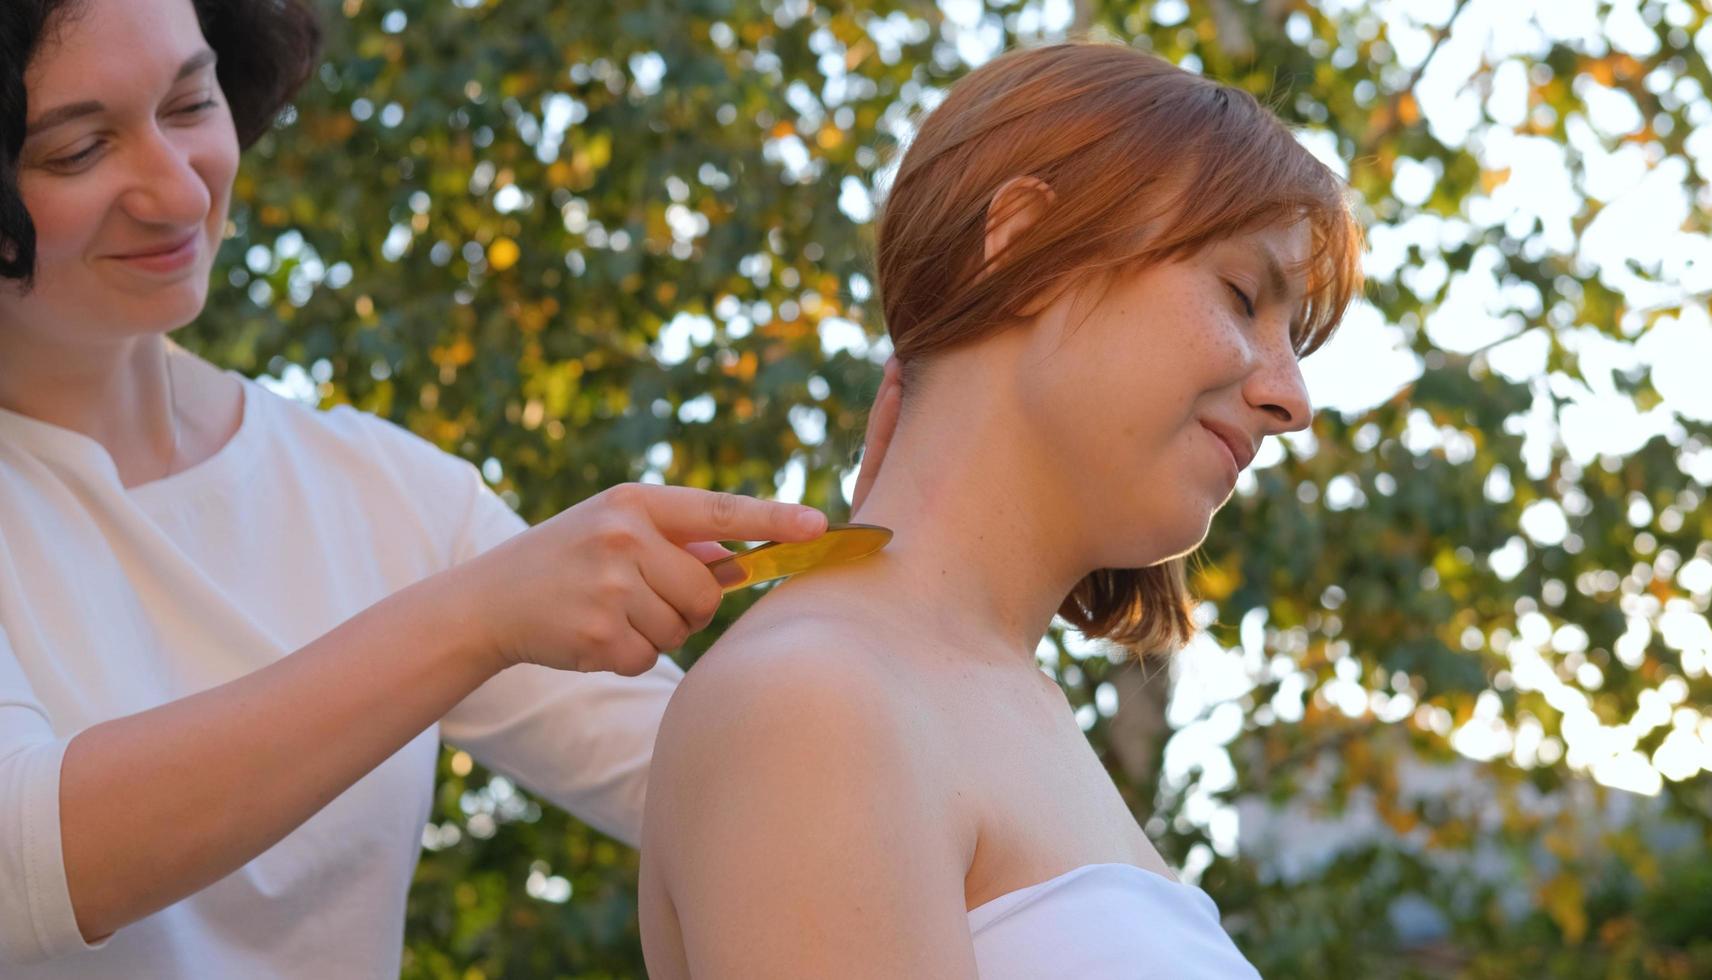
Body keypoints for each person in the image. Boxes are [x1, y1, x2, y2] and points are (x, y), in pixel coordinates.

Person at [0, 0, 901, 975]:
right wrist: (473, 619)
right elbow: (26, 865)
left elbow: (721, 785)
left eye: (190, 103)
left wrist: (927, 560)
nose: (178, 191)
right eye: (79, 150)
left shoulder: (383, 488)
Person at [639, 40, 1362, 978]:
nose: (1291, 397)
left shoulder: (987, 709)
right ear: (1021, 245)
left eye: (1294, 339)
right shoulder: (816, 701)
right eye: (1239, 295)